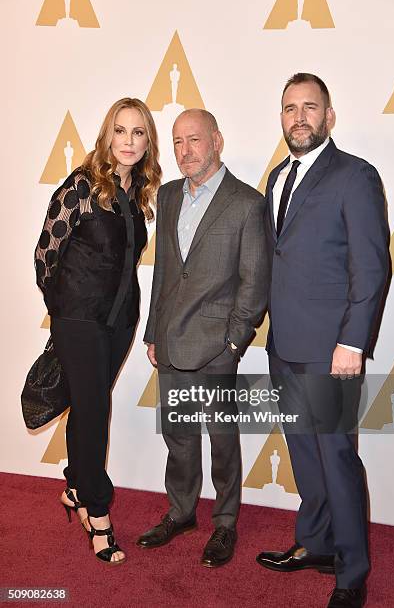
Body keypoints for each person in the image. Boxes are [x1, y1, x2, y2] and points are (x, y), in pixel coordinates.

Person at [256, 74, 389, 608]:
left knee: (336, 457)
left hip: (333, 347)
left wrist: (352, 342)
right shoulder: (274, 179)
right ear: (282, 117)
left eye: (311, 107)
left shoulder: (355, 176)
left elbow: (372, 267)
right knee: (303, 454)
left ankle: (352, 571)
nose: (300, 117)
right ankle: (315, 543)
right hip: (283, 343)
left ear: (329, 116)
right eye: (290, 108)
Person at [137, 109, 269, 567]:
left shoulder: (247, 204)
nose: (185, 151)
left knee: (222, 437)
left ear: (217, 140)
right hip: (171, 343)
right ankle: (181, 511)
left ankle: (226, 521)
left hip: (217, 348)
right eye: (177, 142)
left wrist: (234, 343)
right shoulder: (170, 195)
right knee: (178, 434)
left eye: (194, 140)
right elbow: (163, 275)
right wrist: (154, 333)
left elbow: (254, 284)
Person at [35, 97, 161, 564]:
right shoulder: (82, 186)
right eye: (120, 131)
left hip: (119, 319)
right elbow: (46, 253)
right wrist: (63, 307)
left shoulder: (137, 191)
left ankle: (75, 484)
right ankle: (98, 511)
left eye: (139, 133)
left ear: (147, 142)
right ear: (107, 135)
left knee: (86, 409)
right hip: (79, 320)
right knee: (94, 413)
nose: (128, 141)